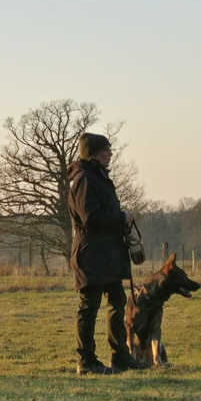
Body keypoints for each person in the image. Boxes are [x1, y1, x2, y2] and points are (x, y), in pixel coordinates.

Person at [67, 132, 144, 375]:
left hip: (107, 252)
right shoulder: (85, 180)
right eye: (105, 150)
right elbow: (90, 218)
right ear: (93, 154)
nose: (110, 154)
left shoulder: (98, 178)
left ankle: (120, 356)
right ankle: (86, 361)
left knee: (117, 302)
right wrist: (121, 218)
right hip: (91, 254)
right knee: (89, 307)